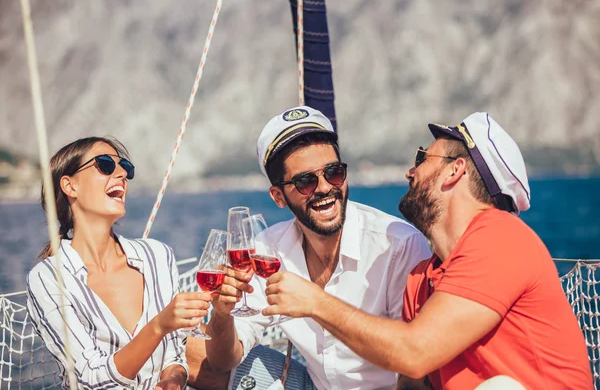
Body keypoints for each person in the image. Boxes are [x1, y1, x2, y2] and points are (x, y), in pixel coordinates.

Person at [260, 112, 593, 389]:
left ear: (454, 170)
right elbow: (414, 379)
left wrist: (316, 303)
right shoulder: (422, 278)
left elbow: (415, 352)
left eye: (422, 158)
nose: (410, 171)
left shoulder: (500, 238)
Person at [185, 106, 431, 389]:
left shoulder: (397, 244)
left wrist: (316, 303)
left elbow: (416, 365)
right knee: (183, 347)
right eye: (305, 181)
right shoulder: (267, 250)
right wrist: (223, 315)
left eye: (334, 172)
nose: (325, 187)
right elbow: (223, 361)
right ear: (278, 197)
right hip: (311, 385)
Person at [26, 137, 211, 390]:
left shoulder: (157, 255)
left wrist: (172, 378)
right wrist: (158, 325)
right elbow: (88, 379)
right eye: (105, 165)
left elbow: (174, 354)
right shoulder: (48, 278)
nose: (122, 173)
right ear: (70, 186)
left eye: (125, 166)